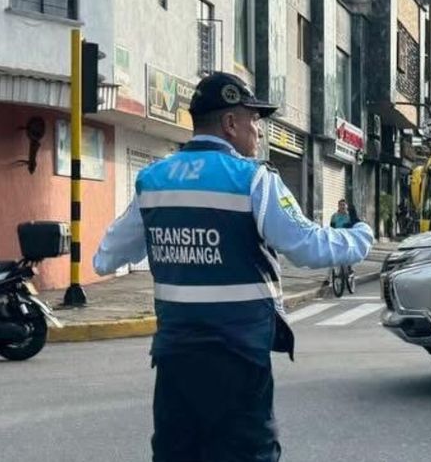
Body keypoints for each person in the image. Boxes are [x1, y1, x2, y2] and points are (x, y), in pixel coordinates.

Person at [93, 72, 373, 462]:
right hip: (237, 357)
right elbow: (306, 246)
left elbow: (107, 256)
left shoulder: (152, 180)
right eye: (253, 120)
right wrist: (360, 237)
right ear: (229, 123)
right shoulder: (253, 179)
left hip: (176, 359)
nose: (257, 131)